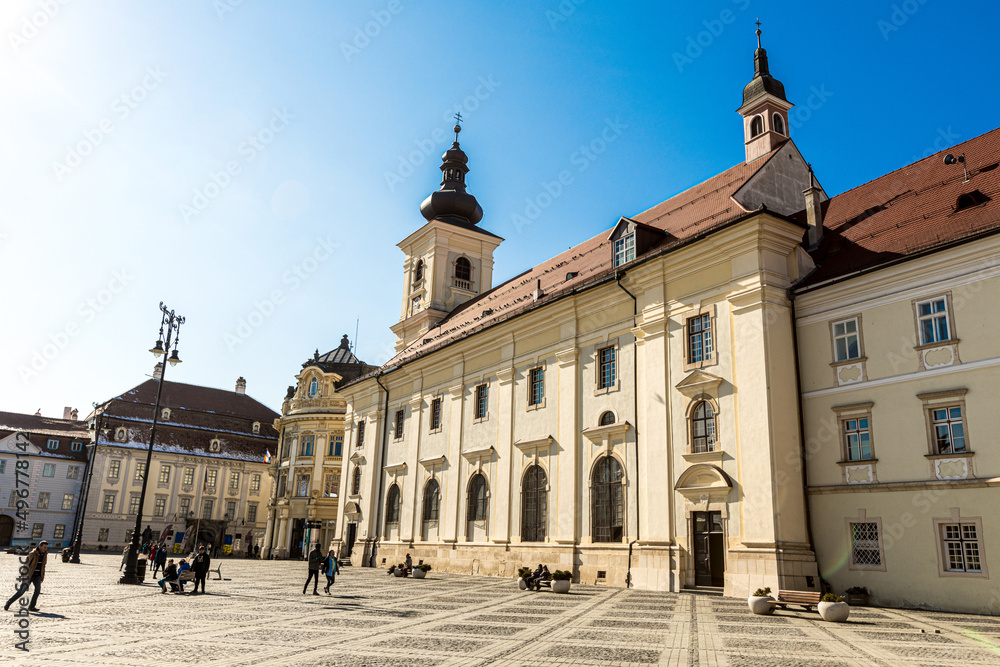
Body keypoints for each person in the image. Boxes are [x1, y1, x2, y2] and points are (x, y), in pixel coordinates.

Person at [4, 541, 48, 612]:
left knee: (37, 591)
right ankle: (9, 602)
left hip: (37, 576)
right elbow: (26, 565)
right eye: (44, 547)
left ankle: (31, 607)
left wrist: (42, 576)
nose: (45, 549)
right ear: (40, 547)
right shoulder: (32, 554)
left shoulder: (45, 554)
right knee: (21, 591)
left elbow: (43, 566)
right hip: (29, 575)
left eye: (46, 547)